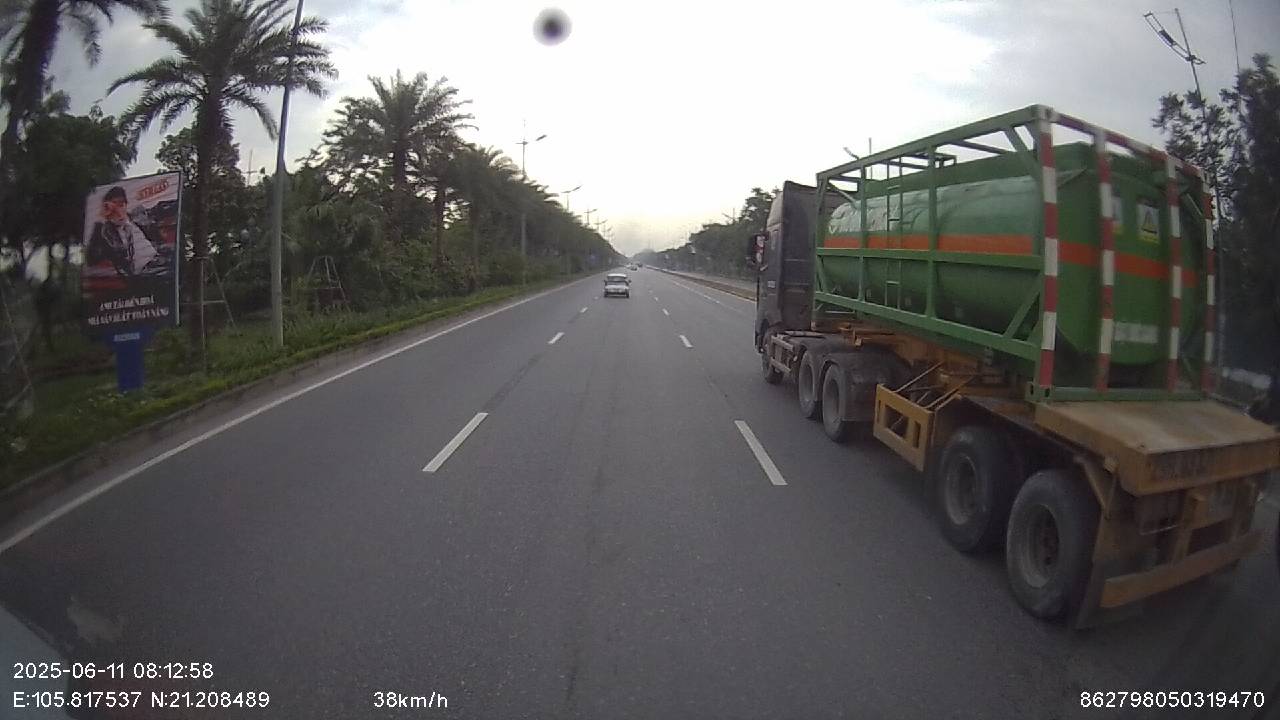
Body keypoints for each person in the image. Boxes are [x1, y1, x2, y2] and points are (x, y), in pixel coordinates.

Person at [85, 186, 162, 277]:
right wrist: (101, 218)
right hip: (136, 277)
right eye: (113, 207)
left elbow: (158, 237)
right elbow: (91, 260)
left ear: (126, 204)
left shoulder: (138, 217)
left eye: (121, 205)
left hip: (158, 265)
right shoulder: (103, 231)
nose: (118, 211)